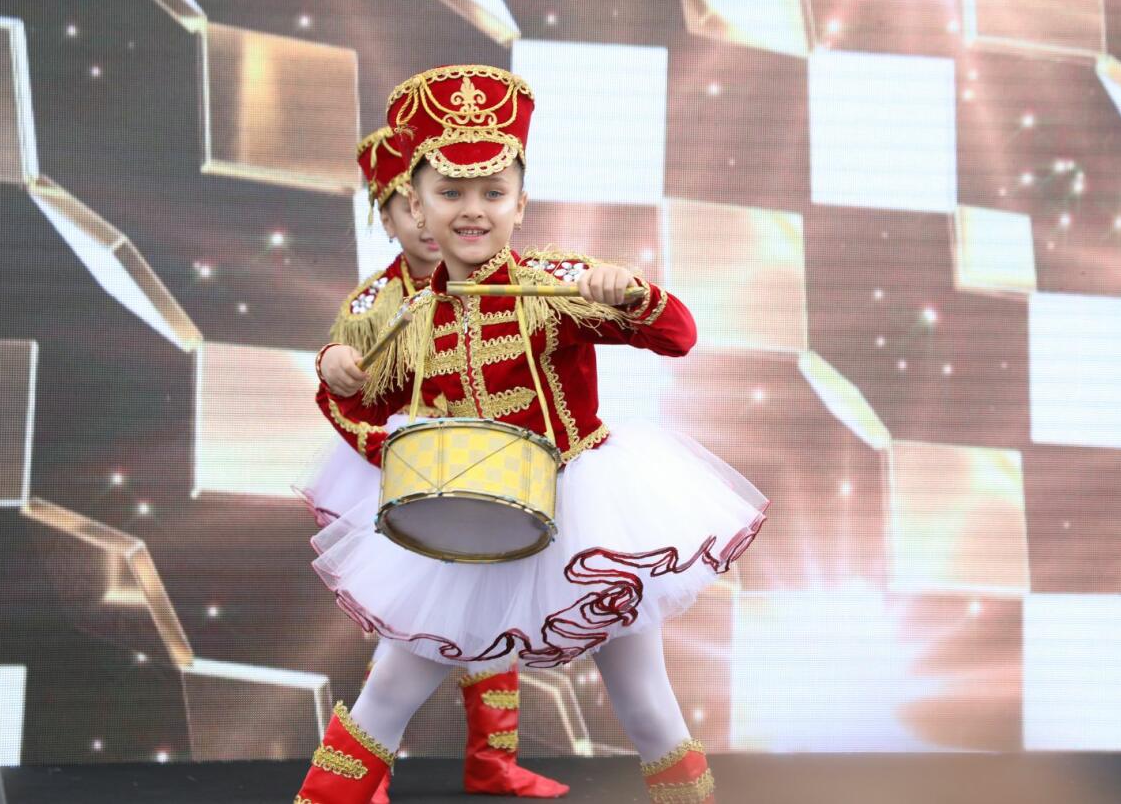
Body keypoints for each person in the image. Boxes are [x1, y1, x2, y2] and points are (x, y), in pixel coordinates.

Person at [295, 65, 767, 804]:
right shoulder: (409, 318)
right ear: (416, 206)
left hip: (586, 522)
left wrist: (633, 294)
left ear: (521, 202)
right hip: (466, 521)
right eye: (450, 193)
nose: (472, 210)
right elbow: (356, 397)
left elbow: (678, 335)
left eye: (493, 192)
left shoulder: (556, 283)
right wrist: (335, 367)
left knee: (647, 705)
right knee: (386, 692)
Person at [300, 126, 569, 802]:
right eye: (411, 206)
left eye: (481, 194)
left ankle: (493, 760)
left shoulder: (511, 281)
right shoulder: (375, 304)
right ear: (395, 215)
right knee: (412, 627)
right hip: (407, 476)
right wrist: (358, 400)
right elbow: (344, 397)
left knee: (492, 618)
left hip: (493, 474)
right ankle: (370, 774)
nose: (428, 224)